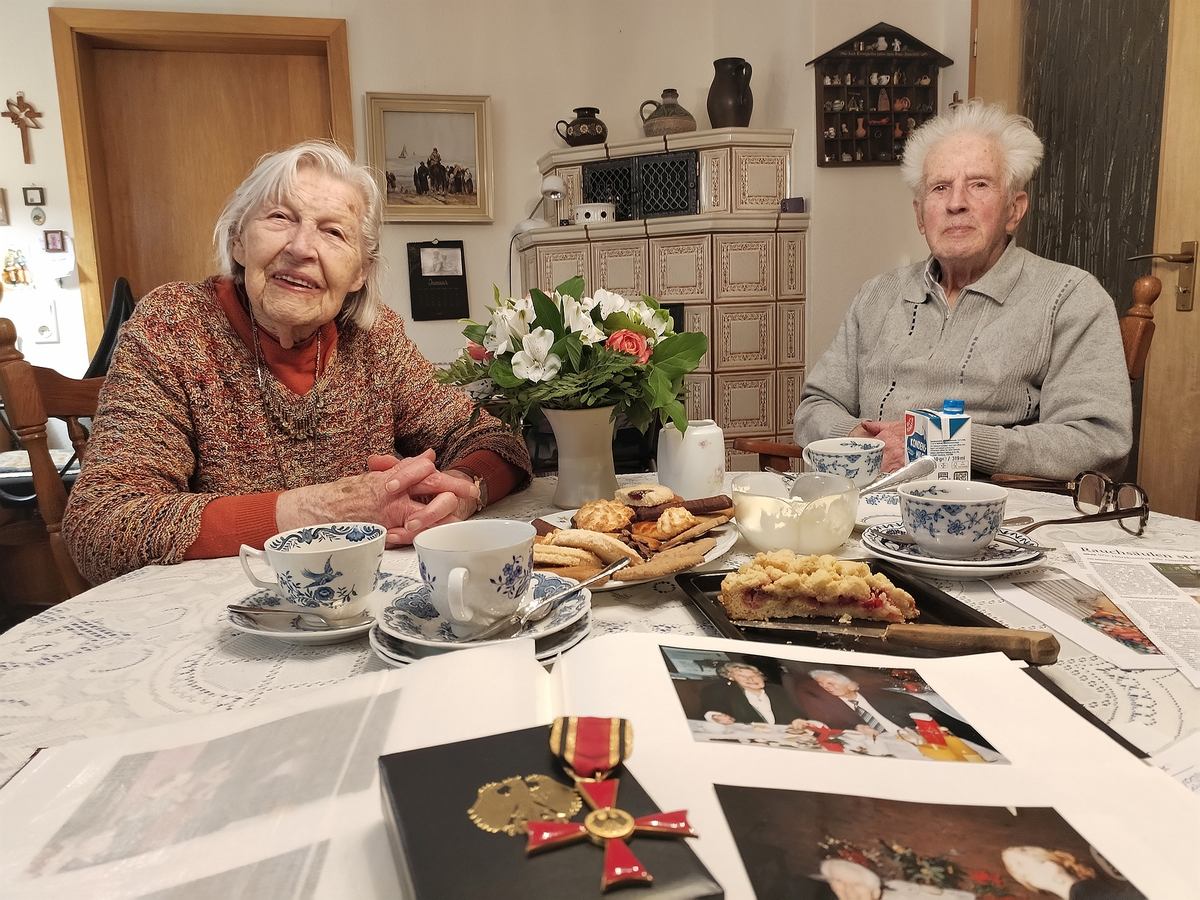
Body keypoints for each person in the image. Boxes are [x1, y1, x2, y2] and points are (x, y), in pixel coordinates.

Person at [63, 140, 532, 585]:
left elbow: (498, 443)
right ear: (238, 242)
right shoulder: (174, 327)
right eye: (280, 218)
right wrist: (319, 512)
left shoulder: (374, 337)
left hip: (371, 604)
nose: (302, 248)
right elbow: (101, 525)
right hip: (233, 615)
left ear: (359, 273)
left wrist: (464, 489)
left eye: (332, 232)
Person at [795, 101, 1131, 479]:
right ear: (920, 215)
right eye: (940, 188)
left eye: (979, 185)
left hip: (992, 514)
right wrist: (863, 441)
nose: (956, 203)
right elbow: (815, 408)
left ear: (1014, 210)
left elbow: (1099, 441)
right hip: (870, 500)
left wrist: (950, 445)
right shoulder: (877, 295)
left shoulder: (1070, 298)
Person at [804, 670, 996, 753]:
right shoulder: (831, 710)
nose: (826, 687)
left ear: (852, 684)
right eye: (822, 685)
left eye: (830, 682)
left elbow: (950, 725)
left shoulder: (892, 697)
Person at [700, 661, 818, 730]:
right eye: (742, 676)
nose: (751, 679)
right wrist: (715, 716)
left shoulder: (777, 691)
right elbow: (713, 708)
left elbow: (794, 713)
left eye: (755, 675)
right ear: (732, 678)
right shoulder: (725, 692)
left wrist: (798, 720)